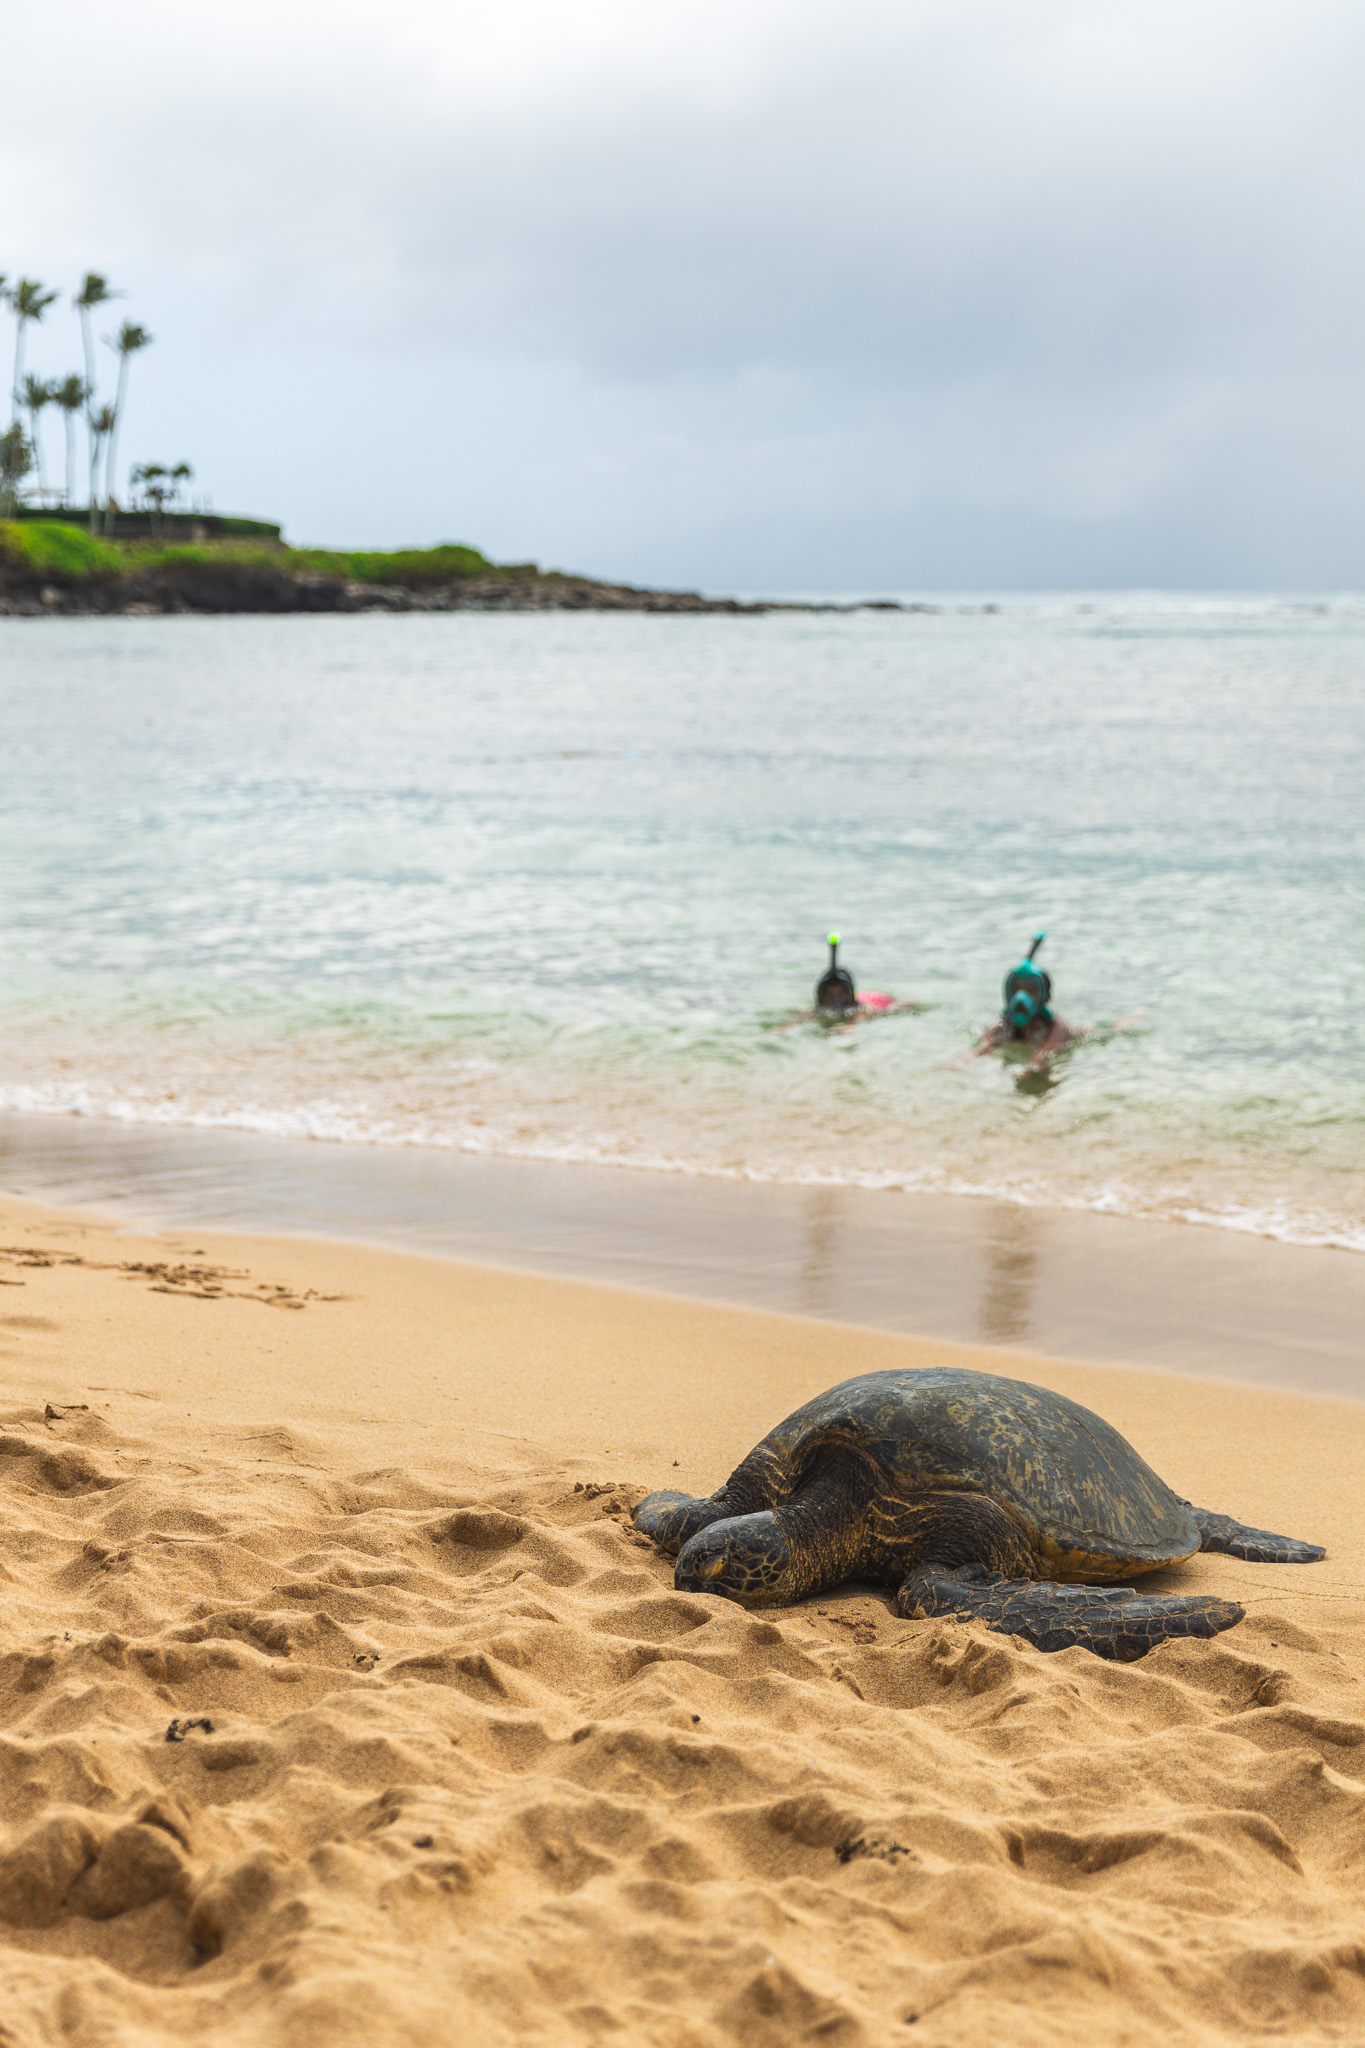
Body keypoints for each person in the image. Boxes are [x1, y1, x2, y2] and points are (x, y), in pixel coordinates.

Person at [945, 931, 1072, 1074]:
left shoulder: (1056, 1025)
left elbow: (1044, 1054)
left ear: (1046, 998)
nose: (1021, 997)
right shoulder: (1003, 1024)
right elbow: (980, 1049)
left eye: (1030, 991)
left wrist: (1027, 1069)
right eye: (1016, 989)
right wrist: (957, 1064)